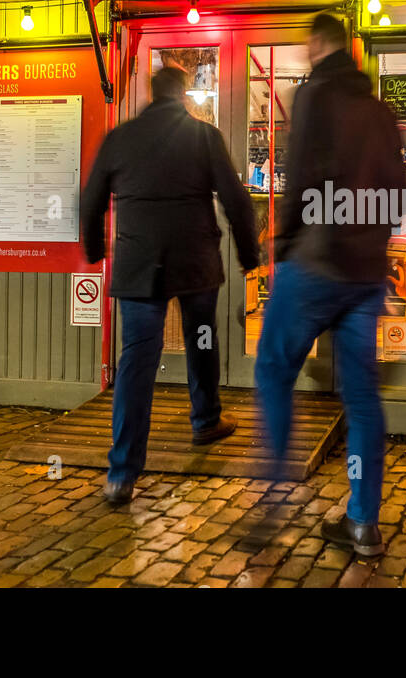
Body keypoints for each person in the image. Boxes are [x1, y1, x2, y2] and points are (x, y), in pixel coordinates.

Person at [254, 13, 405, 556]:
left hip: (316, 261)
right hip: (365, 273)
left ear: (318, 45)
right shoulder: (381, 112)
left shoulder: (313, 96)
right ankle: (363, 521)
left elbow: (299, 178)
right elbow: (396, 193)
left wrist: (284, 243)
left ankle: (273, 495)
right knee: (362, 398)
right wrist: (375, 250)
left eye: (306, 46)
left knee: (273, 369)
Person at [81, 66, 259, 504]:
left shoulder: (120, 138)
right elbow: (236, 199)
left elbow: (91, 199)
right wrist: (249, 255)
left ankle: (121, 473)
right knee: (201, 341)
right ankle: (205, 420)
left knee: (136, 362)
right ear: (182, 94)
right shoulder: (203, 137)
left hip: (139, 264)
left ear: (150, 92)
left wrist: (94, 249)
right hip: (195, 262)